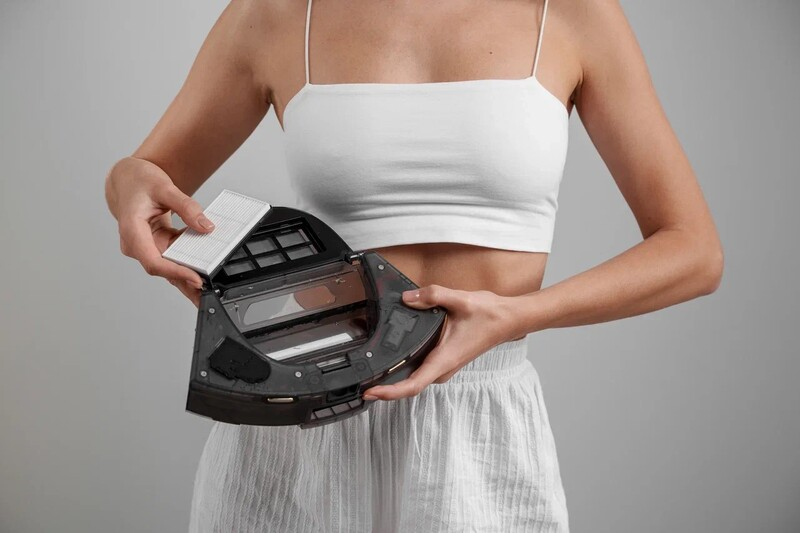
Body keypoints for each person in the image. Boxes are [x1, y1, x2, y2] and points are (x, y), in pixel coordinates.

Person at [104, 0, 724, 531]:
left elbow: (694, 250)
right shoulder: (279, 13)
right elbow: (146, 175)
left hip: (478, 423)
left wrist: (520, 315)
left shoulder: (570, 14)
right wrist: (126, 184)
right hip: (300, 413)